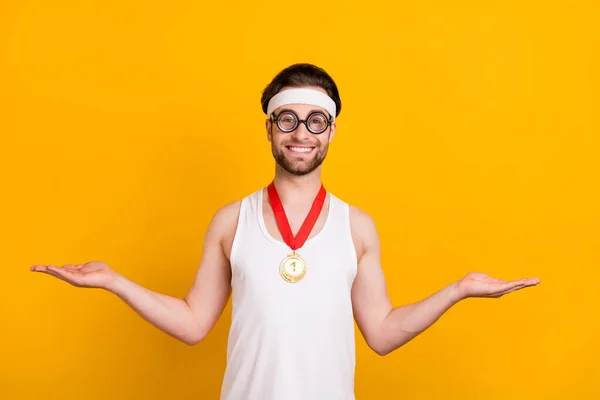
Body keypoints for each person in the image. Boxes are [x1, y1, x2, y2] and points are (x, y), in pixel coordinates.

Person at [30, 63, 540, 400]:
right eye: (287, 119)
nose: (301, 133)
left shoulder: (357, 226)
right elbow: (192, 323)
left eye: (316, 121)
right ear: (269, 127)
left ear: (333, 130)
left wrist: (458, 290)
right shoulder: (231, 220)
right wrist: (115, 281)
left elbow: (381, 333)